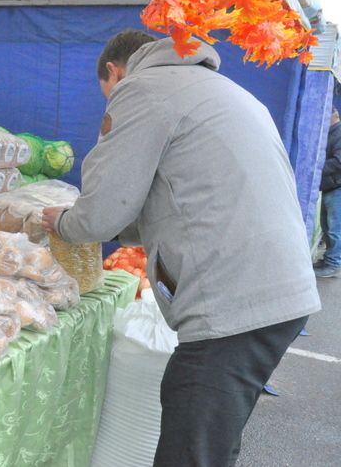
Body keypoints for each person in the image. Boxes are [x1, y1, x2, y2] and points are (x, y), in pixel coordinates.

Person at [42, 30, 321, 466]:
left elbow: (102, 214)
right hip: (280, 289)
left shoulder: (143, 89)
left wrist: (59, 221)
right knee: (211, 437)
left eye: (106, 92)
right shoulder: (221, 89)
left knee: (190, 446)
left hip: (233, 301)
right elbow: (178, 197)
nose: (110, 100)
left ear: (115, 72)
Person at [314, 108, 341, 277]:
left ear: (331, 117)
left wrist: (316, 168)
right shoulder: (333, 132)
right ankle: (329, 259)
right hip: (331, 187)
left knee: (334, 229)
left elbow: (339, 161)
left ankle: (333, 263)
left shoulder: (338, 133)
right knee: (327, 226)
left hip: (337, 188)